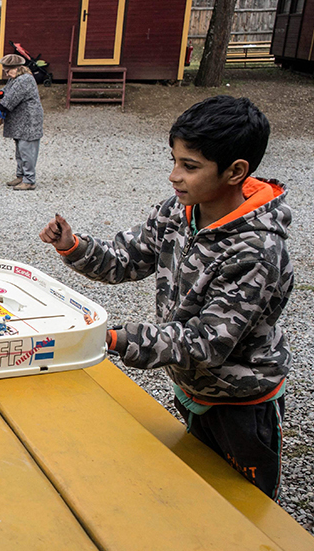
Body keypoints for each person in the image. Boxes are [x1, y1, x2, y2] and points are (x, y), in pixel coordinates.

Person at [39, 95, 292, 498]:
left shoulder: (256, 252)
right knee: (196, 491)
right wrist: (75, 246)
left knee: (247, 507)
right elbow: (127, 260)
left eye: (189, 166)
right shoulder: (179, 211)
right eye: (173, 160)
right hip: (191, 387)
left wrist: (117, 339)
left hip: (241, 404)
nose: (174, 176)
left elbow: (207, 342)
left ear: (235, 171)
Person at [0, 53, 44, 191]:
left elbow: (12, 98)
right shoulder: (15, 79)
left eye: (8, 70)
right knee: (19, 149)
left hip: (29, 120)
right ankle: (21, 175)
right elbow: (7, 91)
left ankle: (29, 180)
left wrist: (1, 107)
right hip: (20, 120)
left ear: (17, 68)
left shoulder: (24, 80)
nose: (7, 74)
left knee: (26, 150)